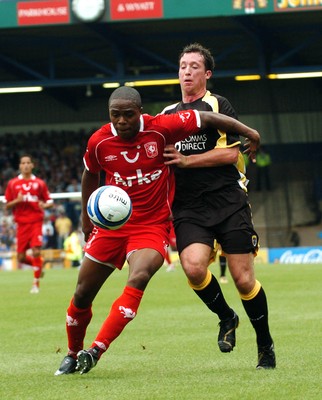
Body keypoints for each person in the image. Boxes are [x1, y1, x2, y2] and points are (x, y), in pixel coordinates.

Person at [54, 85, 260, 376]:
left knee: (138, 276)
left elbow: (210, 119)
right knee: (82, 294)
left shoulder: (161, 128)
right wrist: (88, 219)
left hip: (151, 226)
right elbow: (90, 173)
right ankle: (73, 353)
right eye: (116, 116)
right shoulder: (99, 141)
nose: (122, 121)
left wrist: (249, 131)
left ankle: (96, 349)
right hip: (112, 228)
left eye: (128, 115)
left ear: (140, 112)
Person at [161, 43, 275, 369]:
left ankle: (265, 345)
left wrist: (187, 160)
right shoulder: (169, 115)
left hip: (228, 201)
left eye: (194, 66)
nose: (187, 71)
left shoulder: (218, 104)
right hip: (189, 207)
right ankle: (226, 317)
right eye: (183, 66)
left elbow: (230, 154)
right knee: (194, 268)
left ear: (207, 74)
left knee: (243, 279)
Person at [3, 154, 53, 293]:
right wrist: (17, 201)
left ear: (32, 165)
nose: (25, 165)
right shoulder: (13, 183)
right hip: (21, 223)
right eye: (23, 163)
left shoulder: (40, 183)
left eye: (28, 162)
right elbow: (6, 205)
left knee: (36, 251)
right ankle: (39, 265)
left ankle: (35, 284)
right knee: (21, 257)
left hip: (36, 221)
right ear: (19, 166)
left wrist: (44, 205)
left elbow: (49, 202)